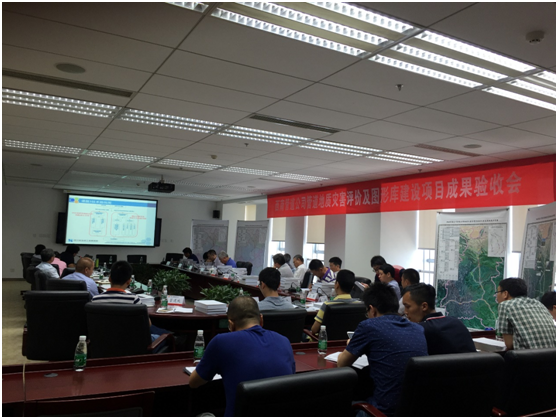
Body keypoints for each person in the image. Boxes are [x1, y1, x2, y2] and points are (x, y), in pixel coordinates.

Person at [189, 296, 295, 416]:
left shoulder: (221, 342)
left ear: (231, 324)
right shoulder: (284, 341)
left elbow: (194, 383)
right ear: (261, 319)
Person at [337, 283, 428, 416]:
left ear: (372, 309)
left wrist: (350, 344)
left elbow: (341, 363)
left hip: (382, 411)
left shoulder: (369, 326)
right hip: (415, 410)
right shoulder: (418, 328)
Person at [92, 260, 169, 340]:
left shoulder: (95, 300)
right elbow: (147, 324)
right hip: (132, 343)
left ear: (109, 279)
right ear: (129, 281)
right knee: (166, 336)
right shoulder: (133, 299)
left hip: (103, 342)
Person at [403, 283, 476, 355]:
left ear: (424, 306)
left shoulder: (420, 330)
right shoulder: (457, 323)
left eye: (407, 307)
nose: (405, 312)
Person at [496, 277, 556, 350]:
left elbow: (509, 345)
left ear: (505, 294)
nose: (496, 296)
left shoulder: (505, 305)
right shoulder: (538, 304)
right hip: (551, 354)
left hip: (528, 355)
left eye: (497, 292)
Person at [310, 269, 361, 334]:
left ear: (337, 285)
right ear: (353, 287)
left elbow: (314, 330)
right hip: (349, 339)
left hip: (326, 340)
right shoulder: (359, 305)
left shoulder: (327, 305)